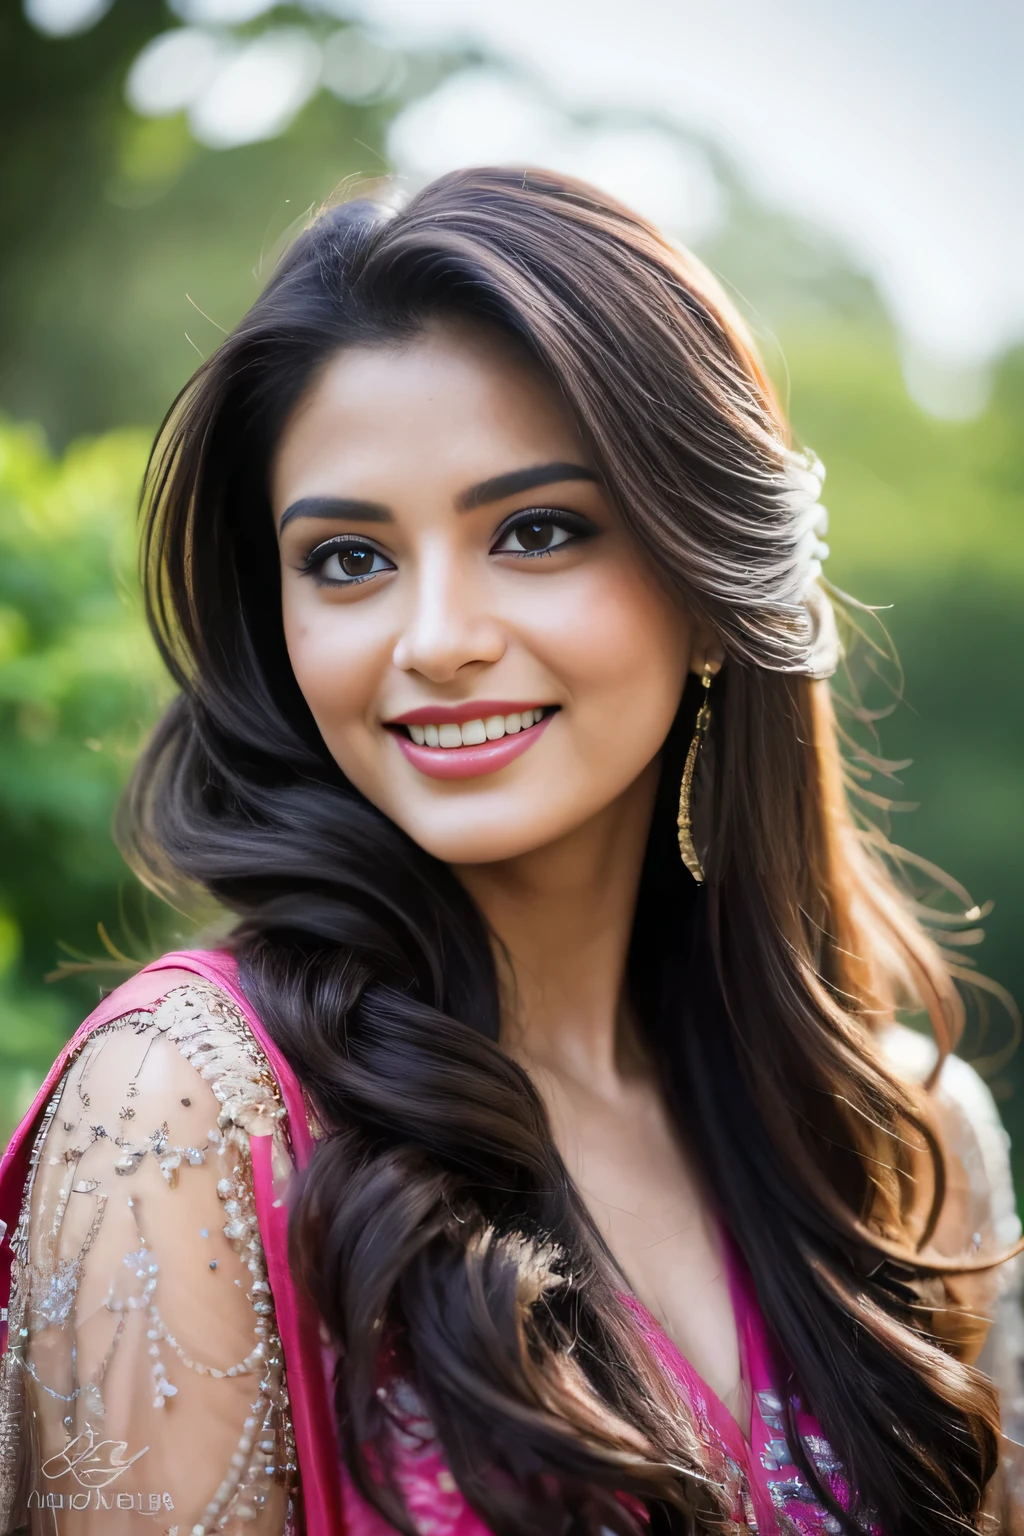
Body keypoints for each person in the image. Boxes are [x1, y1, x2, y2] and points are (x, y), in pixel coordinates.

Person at [0, 166, 1020, 1536]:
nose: (434, 638)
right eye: (349, 559)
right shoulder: (187, 1112)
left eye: (537, 532)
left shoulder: (906, 1144)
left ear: (712, 585)